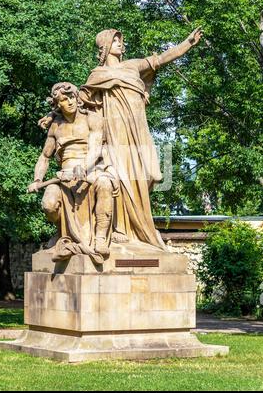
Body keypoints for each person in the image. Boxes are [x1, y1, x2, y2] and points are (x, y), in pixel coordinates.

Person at [77, 27, 203, 249]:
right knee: (122, 176)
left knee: (150, 174)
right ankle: (120, 228)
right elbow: (80, 104)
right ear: (105, 46)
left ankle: (138, 225)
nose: (119, 43)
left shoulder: (133, 65)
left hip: (139, 131)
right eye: (114, 40)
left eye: (120, 40)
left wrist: (187, 43)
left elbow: (162, 59)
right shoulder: (97, 75)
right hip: (115, 132)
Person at [28, 82, 117, 265]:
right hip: (63, 177)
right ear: (57, 104)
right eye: (63, 99)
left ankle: (100, 237)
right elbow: (45, 157)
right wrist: (38, 179)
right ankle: (61, 230)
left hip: (91, 170)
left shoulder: (92, 118)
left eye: (71, 97)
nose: (69, 102)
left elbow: (95, 148)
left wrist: (83, 168)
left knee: (105, 184)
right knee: (48, 205)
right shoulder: (55, 126)